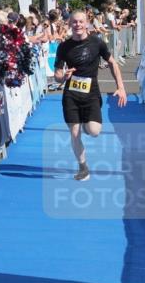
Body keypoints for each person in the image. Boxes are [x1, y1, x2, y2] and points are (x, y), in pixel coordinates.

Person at [54, 10, 127, 181]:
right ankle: (83, 167)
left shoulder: (97, 43)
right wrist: (63, 77)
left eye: (81, 22)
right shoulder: (63, 47)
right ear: (69, 24)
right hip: (71, 94)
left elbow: (112, 63)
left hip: (91, 93)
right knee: (74, 132)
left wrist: (121, 87)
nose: (77, 25)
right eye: (74, 22)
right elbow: (57, 75)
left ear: (87, 23)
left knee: (93, 131)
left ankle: (86, 125)